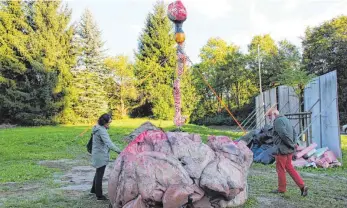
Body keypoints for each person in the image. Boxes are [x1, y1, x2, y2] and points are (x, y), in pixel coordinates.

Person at [266, 109, 308, 197]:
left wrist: (292, 144)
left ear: (274, 114)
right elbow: (294, 132)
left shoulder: (278, 121)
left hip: (282, 149)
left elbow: (283, 135)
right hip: (289, 149)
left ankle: (281, 189)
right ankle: (302, 186)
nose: (269, 118)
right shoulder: (285, 119)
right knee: (289, 167)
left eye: (269, 115)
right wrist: (294, 143)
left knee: (280, 168)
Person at [90, 113, 121, 200]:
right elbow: (109, 144)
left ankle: (93, 189)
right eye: (108, 123)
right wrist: (120, 151)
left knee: (98, 171)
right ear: (104, 122)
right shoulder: (102, 130)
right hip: (100, 154)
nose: (109, 124)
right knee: (100, 173)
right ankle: (99, 195)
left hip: (97, 152)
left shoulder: (97, 127)